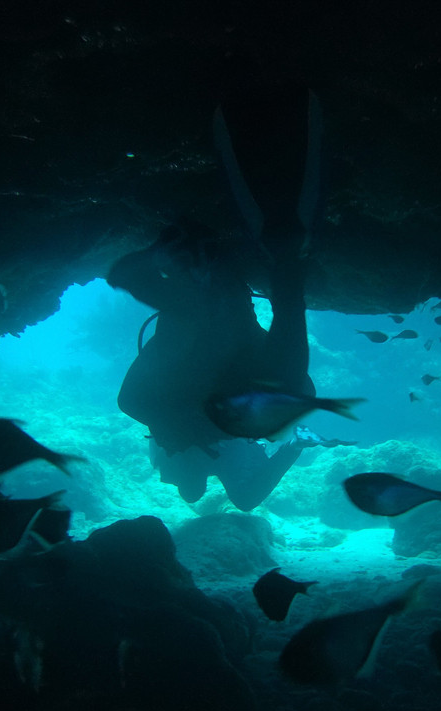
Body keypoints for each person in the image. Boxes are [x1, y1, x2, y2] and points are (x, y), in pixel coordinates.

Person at [109, 85, 324, 509]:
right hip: (224, 345)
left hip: (212, 344)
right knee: (274, 388)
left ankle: (268, 268)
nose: (187, 479)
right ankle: (265, 269)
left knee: (268, 383)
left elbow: (154, 378)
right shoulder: (154, 410)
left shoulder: (149, 408)